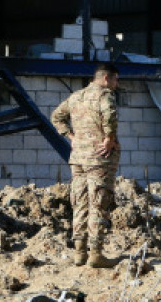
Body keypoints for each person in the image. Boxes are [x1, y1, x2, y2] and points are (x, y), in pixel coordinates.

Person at [51, 63, 121, 268]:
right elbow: (109, 115)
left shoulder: (76, 96)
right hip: (99, 158)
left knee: (80, 203)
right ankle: (96, 254)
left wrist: (72, 137)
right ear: (106, 78)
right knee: (99, 202)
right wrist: (109, 138)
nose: (117, 84)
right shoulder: (104, 95)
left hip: (78, 158)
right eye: (116, 79)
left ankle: (79, 253)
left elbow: (56, 116)